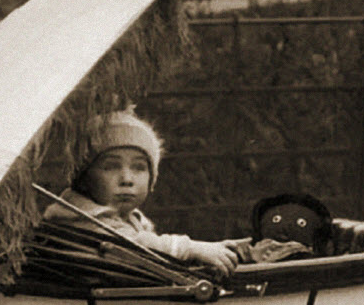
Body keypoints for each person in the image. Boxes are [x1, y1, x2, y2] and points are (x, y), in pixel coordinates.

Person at [44, 107, 239, 274]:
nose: (127, 179)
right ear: (84, 178)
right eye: (111, 167)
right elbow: (133, 246)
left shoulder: (130, 218)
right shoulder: (81, 219)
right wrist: (190, 248)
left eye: (138, 168)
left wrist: (234, 252)